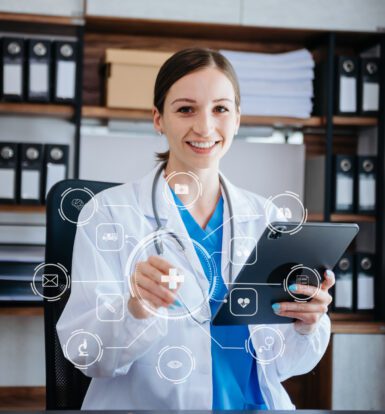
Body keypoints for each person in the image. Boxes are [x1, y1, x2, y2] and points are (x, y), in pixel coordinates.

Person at [57, 48, 334, 410]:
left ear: (237, 119)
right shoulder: (110, 213)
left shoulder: (265, 217)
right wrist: (134, 310)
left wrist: (307, 323)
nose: (205, 127)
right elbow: (86, 353)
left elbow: (285, 364)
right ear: (158, 119)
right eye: (185, 109)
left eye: (220, 109)